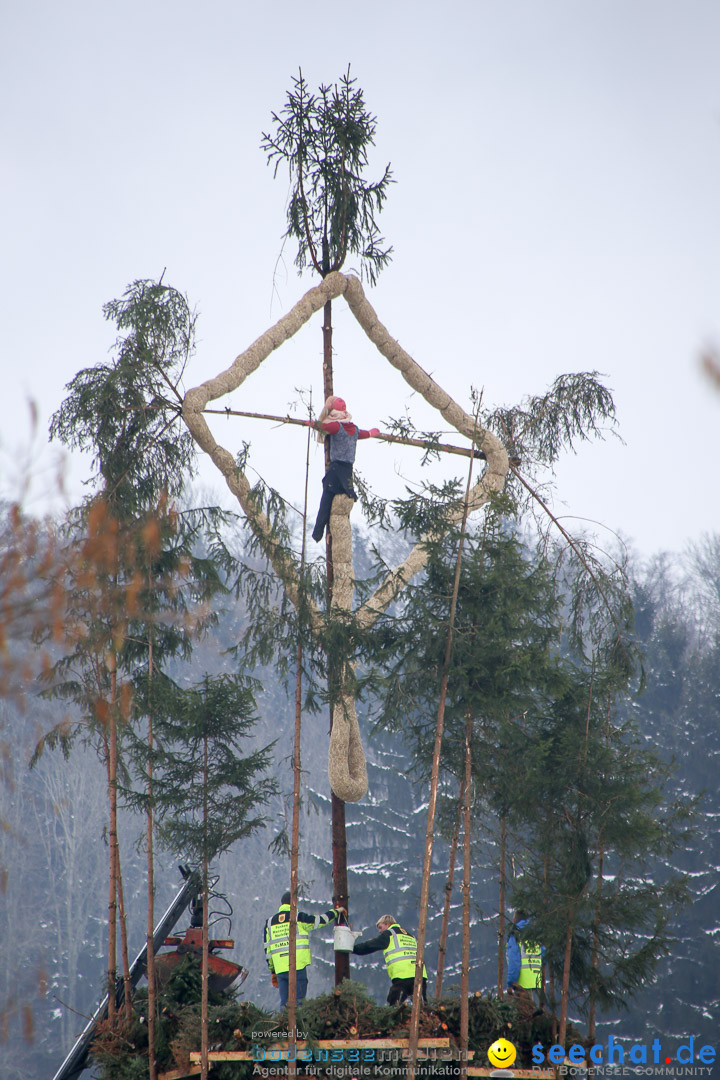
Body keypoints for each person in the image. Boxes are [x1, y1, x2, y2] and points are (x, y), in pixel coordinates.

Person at [309, 396, 380, 542]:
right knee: (343, 506)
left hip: (336, 470)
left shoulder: (336, 427)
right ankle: (337, 537)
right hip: (348, 472)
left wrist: (309, 423)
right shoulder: (354, 429)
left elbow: (321, 426)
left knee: (326, 501)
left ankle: (318, 533)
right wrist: (372, 433)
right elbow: (365, 434)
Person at [264, 891, 345, 1007]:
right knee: (299, 1001)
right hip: (297, 965)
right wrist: (336, 912)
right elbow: (319, 921)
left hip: (280, 969)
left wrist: (273, 971)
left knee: (285, 1003)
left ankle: (283, 1024)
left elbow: (268, 950)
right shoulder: (298, 917)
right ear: (294, 903)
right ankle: (298, 1025)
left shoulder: (270, 923)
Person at [352, 914, 428, 1005]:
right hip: (420, 974)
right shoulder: (410, 936)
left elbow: (370, 946)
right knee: (422, 1008)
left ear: (387, 924)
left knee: (393, 1006)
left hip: (403, 975)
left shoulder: (389, 934)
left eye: (380, 927)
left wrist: (352, 949)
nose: (380, 931)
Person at [506, 910, 545, 1016]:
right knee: (534, 1014)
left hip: (521, 983)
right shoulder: (536, 935)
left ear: (514, 920)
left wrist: (510, 983)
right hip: (537, 982)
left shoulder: (515, 936)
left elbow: (514, 962)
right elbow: (544, 954)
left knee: (522, 1016)